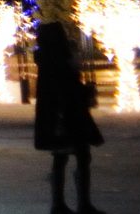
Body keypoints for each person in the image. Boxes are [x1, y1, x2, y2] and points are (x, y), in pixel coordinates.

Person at [33, 22, 104, 214]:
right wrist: (84, 91)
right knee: (81, 155)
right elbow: (67, 88)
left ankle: (60, 204)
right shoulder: (59, 59)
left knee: (61, 156)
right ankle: (82, 204)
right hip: (69, 115)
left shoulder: (47, 59)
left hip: (57, 116)